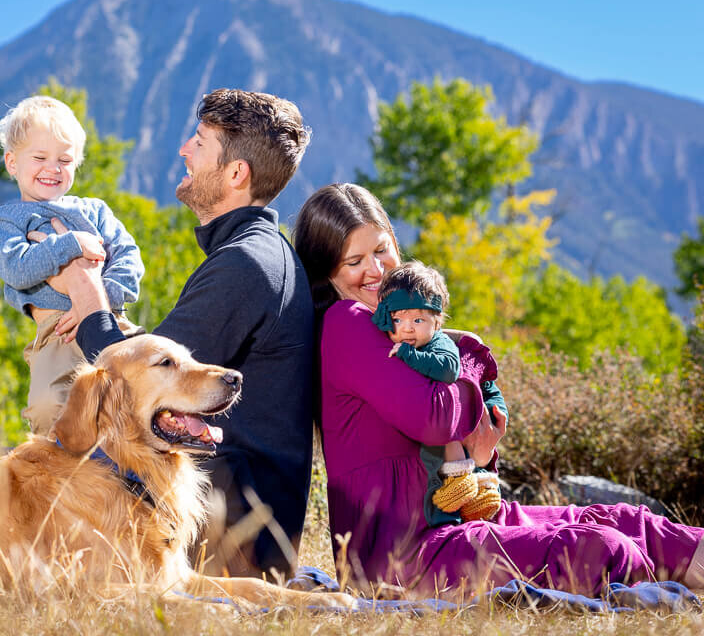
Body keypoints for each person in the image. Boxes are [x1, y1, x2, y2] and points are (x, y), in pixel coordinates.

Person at [292, 182, 704, 596]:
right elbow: (433, 419)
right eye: (354, 261)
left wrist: (480, 451)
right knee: (595, 548)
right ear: (328, 273)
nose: (377, 270)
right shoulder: (347, 322)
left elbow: (455, 445)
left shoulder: (400, 326)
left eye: (382, 249)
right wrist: (465, 356)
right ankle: (664, 598)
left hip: (456, 523)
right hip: (408, 556)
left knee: (624, 519)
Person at [45, 88, 315, 580]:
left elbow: (130, 382)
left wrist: (83, 288)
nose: (183, 151)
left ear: (236, 174)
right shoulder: (259, 254)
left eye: (200, 142)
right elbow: (157, 364)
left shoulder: (245, 265)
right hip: (235, 521)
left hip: (226, 539)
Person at [0, 95, 143, 435]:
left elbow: (129, 257)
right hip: (55, 333)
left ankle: (139, 473)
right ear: (12, 163)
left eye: (65, 159)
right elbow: (16, 268)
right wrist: (71, 244)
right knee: (48, 407)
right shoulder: (7, 221)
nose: (52, 168)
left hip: (111, 317)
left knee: (141, 393)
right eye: (40, 157)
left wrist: (101, 300)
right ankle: (65, 478)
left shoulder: (95, 211)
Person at [372, 261, 506, 526]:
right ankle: (474, 491)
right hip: (457, 424)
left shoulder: (438, 343)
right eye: (398, 319)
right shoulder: (409, 339)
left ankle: (466, 482)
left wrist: (407, 354)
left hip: (481, 411)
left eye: (418, 320)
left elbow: (447, 370)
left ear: (437, 321)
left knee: (450, 416)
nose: (407, 328)